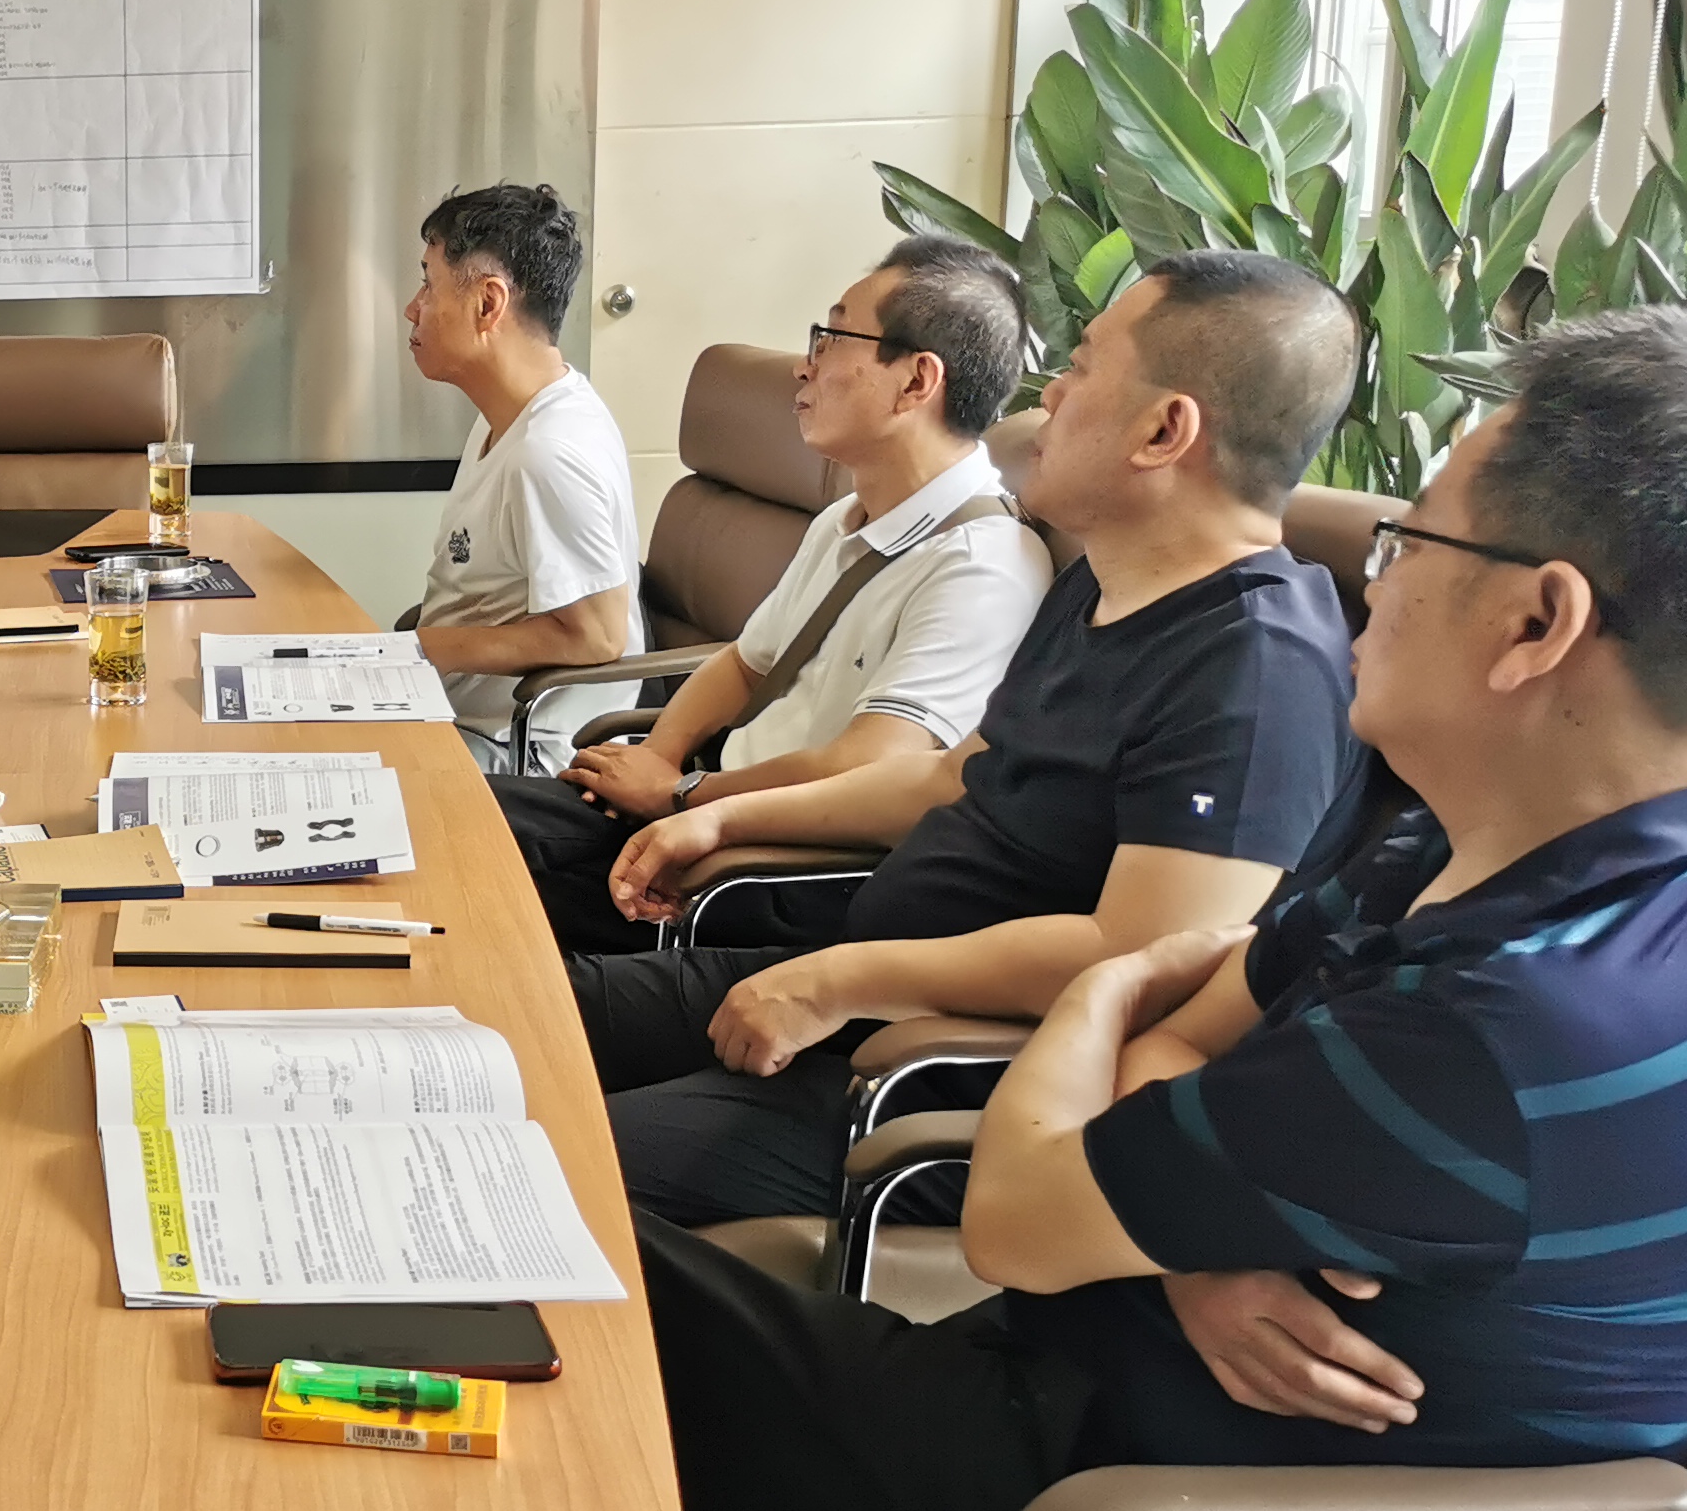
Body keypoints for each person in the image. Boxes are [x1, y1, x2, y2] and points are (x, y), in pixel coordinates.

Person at [640, 305, 1687, 1511]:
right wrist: (1194, 1242)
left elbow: (1023, 1215)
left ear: (1539, 624)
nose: (1374, 583)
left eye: (1412, 543)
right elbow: (1198, 1033)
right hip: (1106, 1437)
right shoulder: (1482, 842)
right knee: (559, 1275)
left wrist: (1107, 997)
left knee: (557, 1289)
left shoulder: (1518, 1023)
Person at [582, 249, 1360, 1226]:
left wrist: (844, 980)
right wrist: (718, 819)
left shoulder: (1257, 670)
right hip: (864, 985)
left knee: (528, 1166)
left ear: (1165, 430)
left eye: (1081, 368)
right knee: (509, 1023)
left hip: (941, 1078)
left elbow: (1138, 957)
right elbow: (950, 780)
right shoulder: (1107, 581)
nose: (1049, 398)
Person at [499, 237, 1052, 953]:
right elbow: (744, 665)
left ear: (917, 381)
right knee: (446, 816)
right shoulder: (846, 518)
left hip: (769, 876)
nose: (803, 365)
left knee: (472, 894)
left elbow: (868, 766)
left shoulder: (984, 565)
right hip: (703, 813)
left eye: (832, 338)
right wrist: (658, 761)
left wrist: (680, 796)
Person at [400, 182, 643, 774]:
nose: (413, 307)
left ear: (488, 304)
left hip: (520, 753)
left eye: (429, 284)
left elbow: (597, 637)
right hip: (456, 717)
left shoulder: (549, 452)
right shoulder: (511, 417)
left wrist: (422, 650)